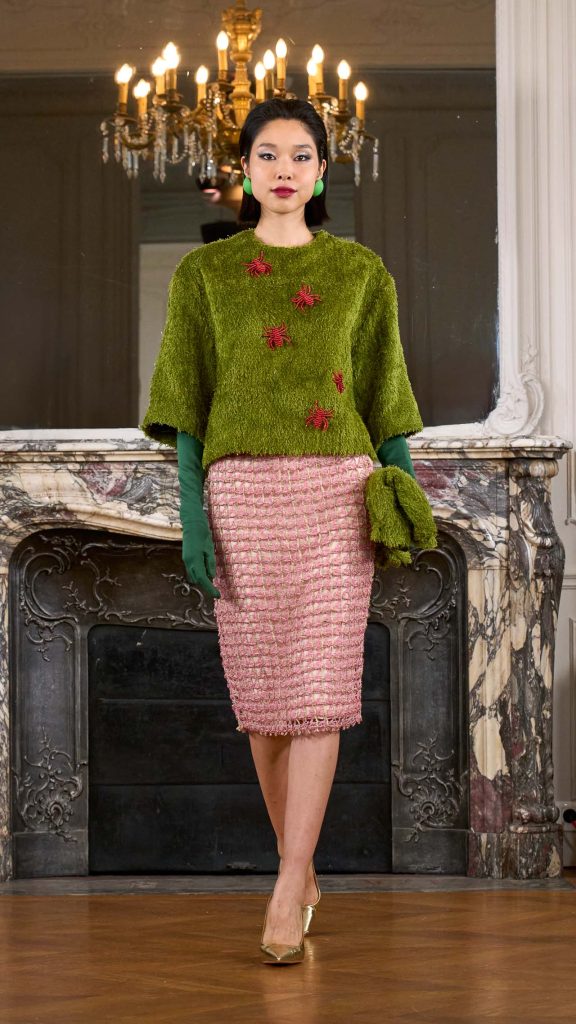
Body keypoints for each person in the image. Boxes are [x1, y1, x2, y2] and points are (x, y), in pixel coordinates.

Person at [140, 98, 437, 965]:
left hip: (338, 497)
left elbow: (386, 401)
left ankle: (284, 885)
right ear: (243, 168)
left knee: (318, 694)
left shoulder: (361, 273)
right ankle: (299, 871)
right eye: (266, 154)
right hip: (242, 500)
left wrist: (404, 501)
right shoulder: (205, 274)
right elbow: (187, 411)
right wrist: (193, 520)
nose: (283, 169)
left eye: (300, 155)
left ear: (321, 171)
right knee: (265, 707)